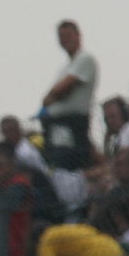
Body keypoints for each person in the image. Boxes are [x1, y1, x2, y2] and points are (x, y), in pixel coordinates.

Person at [39, 19, 99, 171]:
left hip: (72, 124)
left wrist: (53, 95)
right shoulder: (65, 67)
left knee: (69, 164)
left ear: (78, 35)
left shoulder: (85, 59)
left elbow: (62, 89)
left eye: (68, 35)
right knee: (57, 165)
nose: (65, 40)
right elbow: (52, 96)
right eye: (62, 37)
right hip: (57, 126)